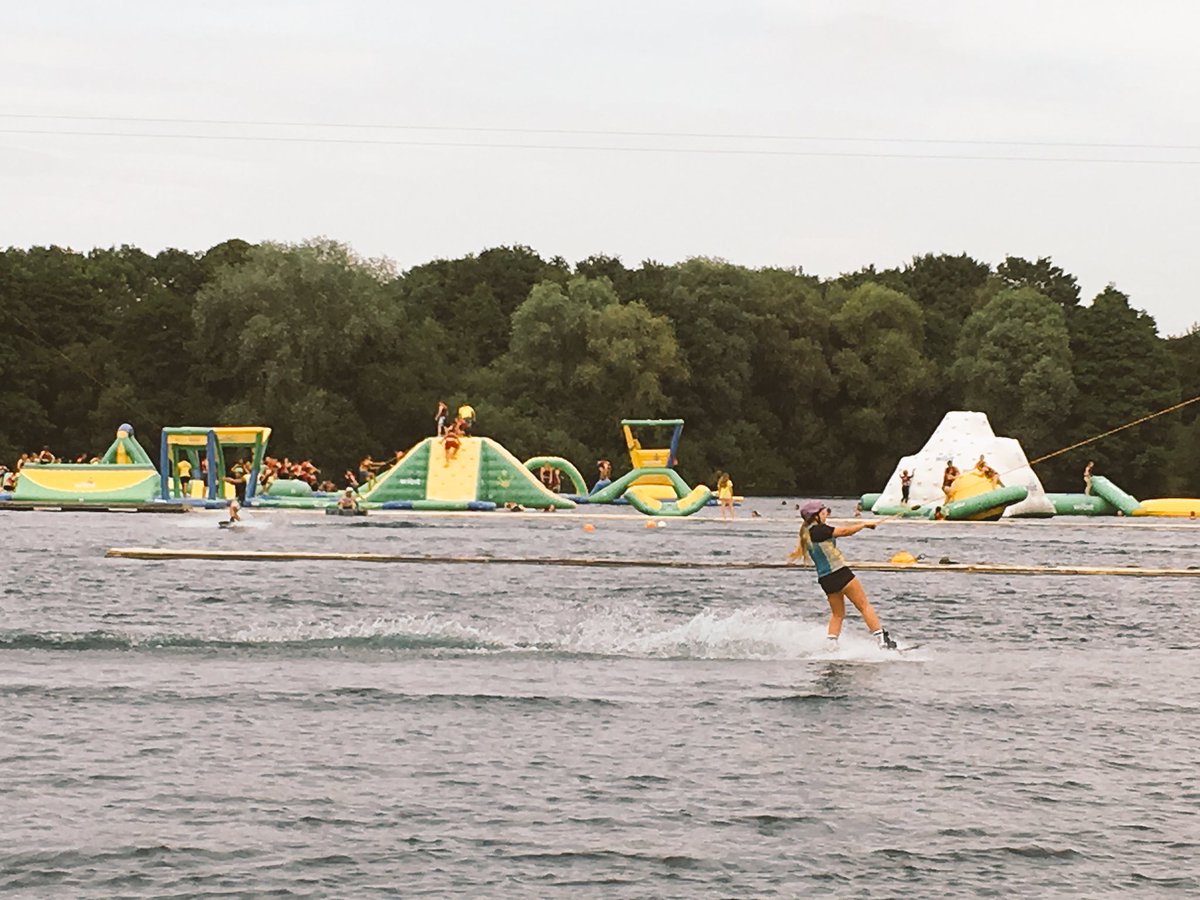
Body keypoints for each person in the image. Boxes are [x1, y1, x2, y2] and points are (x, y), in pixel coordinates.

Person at [787, 500, 897, 650]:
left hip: (825, 580)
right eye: (823, 512)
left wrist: (863, 525)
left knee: (837, 614)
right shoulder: (819, 530)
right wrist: (864, 525)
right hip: (840, 573)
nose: (826, 514)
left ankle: (831, 645)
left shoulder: (808, 533)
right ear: (816, 516)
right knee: (864, 606)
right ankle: (882, 641)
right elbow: (845, 532)